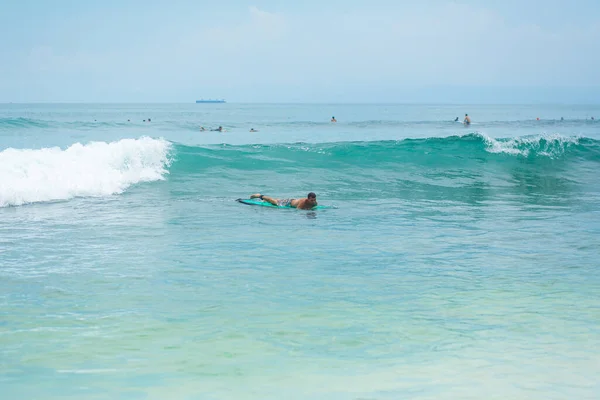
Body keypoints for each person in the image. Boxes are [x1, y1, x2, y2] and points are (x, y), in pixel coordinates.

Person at [249, 192, 317, 210]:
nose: (313, 201)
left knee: (275, 200)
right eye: (312, 200)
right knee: (273, 202)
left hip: (291, 201)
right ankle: (259, 195)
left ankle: (264, 200)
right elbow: (298, 210)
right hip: (288, 202)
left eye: (314, 200)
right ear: (308, 199)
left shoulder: (315, 203)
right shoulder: (303, 202)